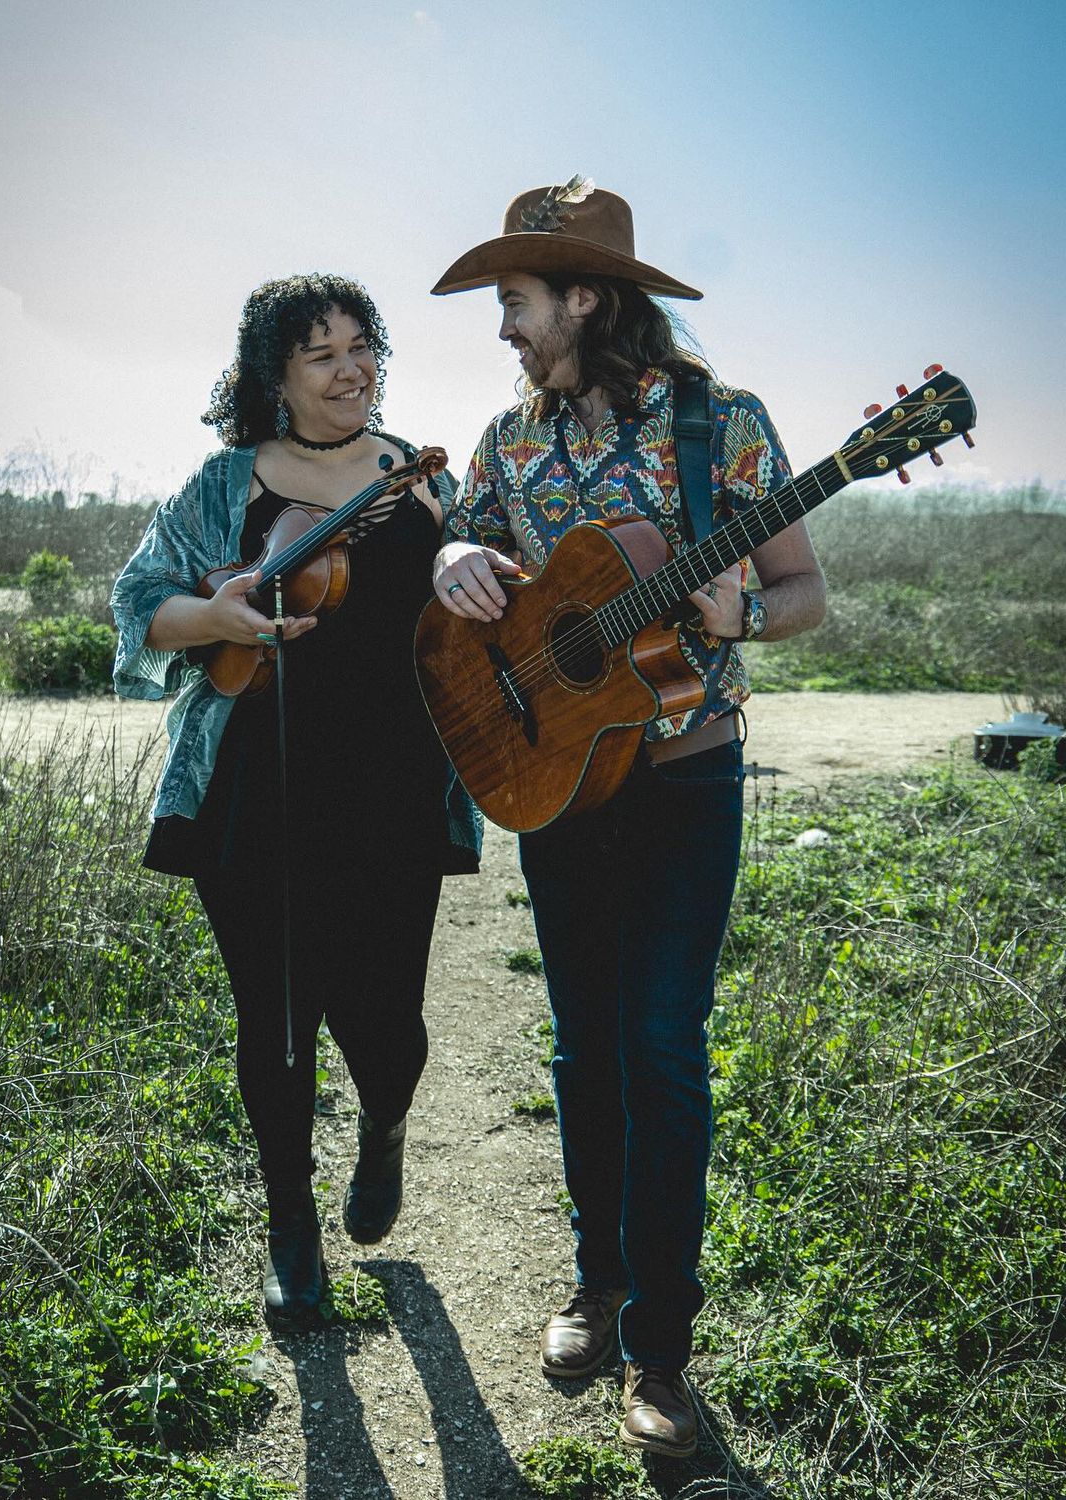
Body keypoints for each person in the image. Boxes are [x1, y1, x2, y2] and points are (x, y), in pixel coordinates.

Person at [429, 183, 826, 1458]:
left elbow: (803, 588)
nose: (503, 328)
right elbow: (467, 571)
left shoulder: (726, 429)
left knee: (663, 1048)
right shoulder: (505, 443)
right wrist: (452, 562)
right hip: (559, 785)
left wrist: (735, 616)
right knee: (582, 1047)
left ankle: (660, 1349)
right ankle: (594, 1285)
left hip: (689, 780)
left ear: (584, 300)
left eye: (516, 302)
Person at [110, 274, 480, 1326]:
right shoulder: (224, 484)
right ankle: (290, 1228)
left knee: (387, 1021)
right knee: (274, 1019)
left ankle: (386, 1124)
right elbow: (141, 603)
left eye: (362, 346)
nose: (350, 369)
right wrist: (216, 618)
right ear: (274, 376)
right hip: (254, 786)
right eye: (321, 355)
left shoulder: (422, 483)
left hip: (398, 784)